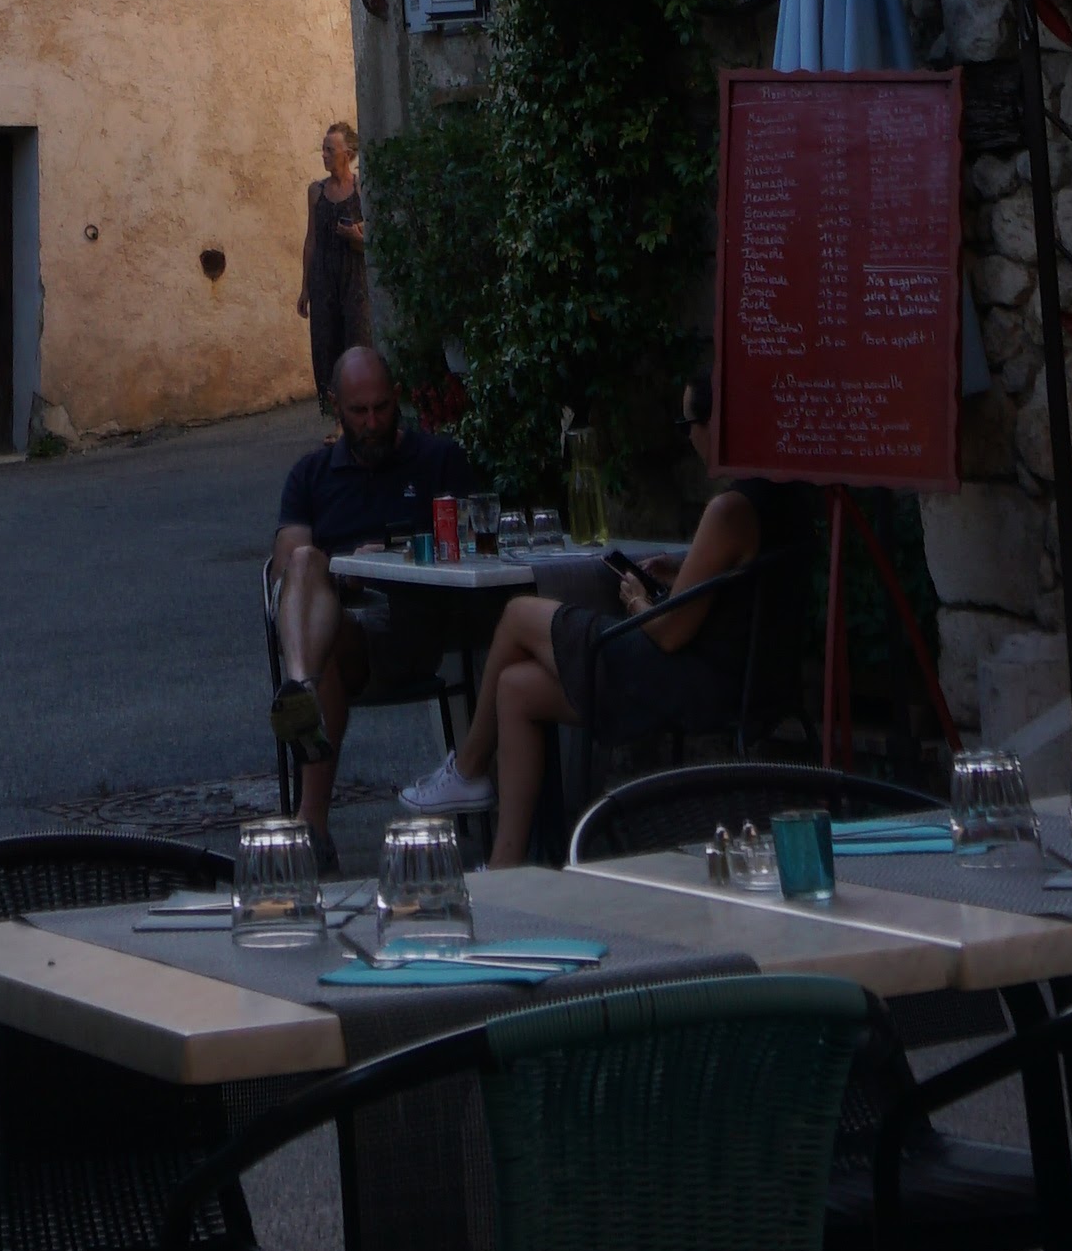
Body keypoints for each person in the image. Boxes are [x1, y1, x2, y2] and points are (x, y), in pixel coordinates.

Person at [431, 376, 764, 867]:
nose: (688, 438)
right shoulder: (770, 499)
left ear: (716, 425)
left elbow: (669, 632)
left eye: (687, 424)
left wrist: (637, 601)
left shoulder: (729, 509)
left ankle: (469, 768)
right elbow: (730, 590)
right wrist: (684, 570)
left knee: (519, 614)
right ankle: (507, 867)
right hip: (718, 671)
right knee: (516, 686)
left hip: (687, 677)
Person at [266, 341, 465, 846]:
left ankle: (302, 705)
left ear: (396, 397)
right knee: (306, 562)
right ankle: (303, 689)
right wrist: (342, 574)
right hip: (338, 630)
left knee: (323, 643)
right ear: (337, 406)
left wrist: (392, 558)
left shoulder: (437, 460)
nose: (372, 422)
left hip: (409, 625)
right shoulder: (311, 475)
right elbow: (284, 571)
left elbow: (466, 548)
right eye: (359, 411)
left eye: (381, 408)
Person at [297, 122, 367, 412]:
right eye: (323, 149)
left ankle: (360, 409)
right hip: (323, 278)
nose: (324, 155)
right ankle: (338, 417)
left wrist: (357, 235)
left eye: (330, 150)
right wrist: (305, 288)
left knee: (357, 341)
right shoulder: (316, 191)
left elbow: (372, 235)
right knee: (327, 346)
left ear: (347, 154)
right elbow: (311, 240)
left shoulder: (361, 188)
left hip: (354, 277)